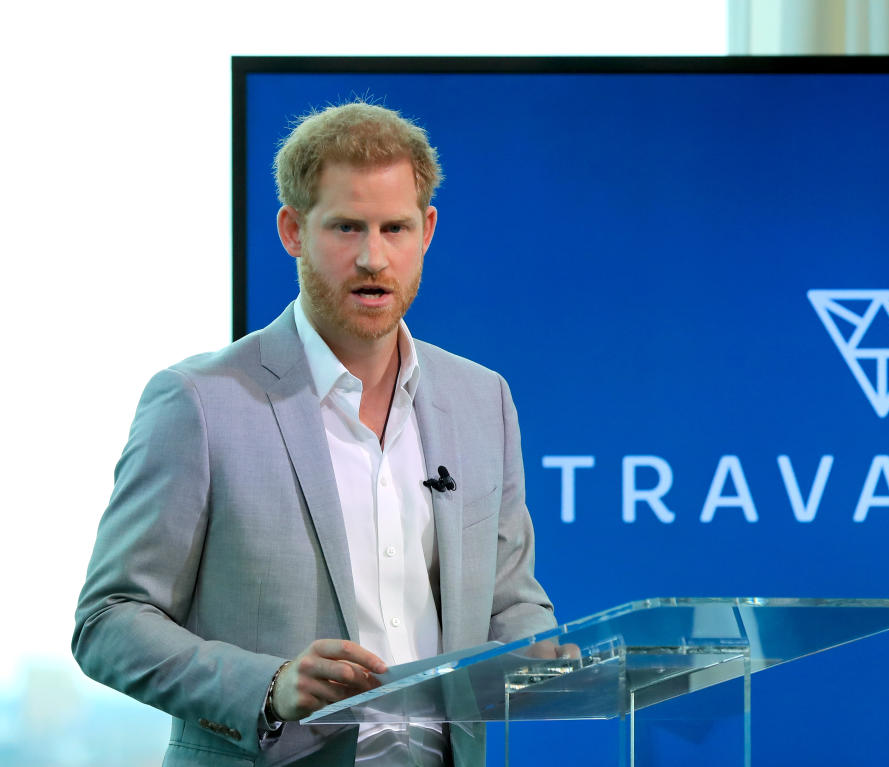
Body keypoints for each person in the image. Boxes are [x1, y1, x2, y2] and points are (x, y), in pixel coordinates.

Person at [72, 101, 558, 766]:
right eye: (345, 227)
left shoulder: (482, 399)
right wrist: (269, 685)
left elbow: (511, 603)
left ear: (427, 231)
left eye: (394, 227)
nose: (371, 257)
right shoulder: (199, 403)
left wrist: (547, 652)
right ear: (292, 229)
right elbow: (109, 621)